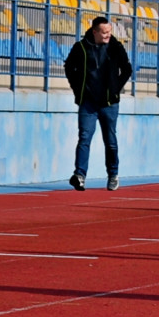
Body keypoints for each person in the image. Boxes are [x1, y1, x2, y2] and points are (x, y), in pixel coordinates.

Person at [63, 16, 132, 192]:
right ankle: (79, 175)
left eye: (109, 31)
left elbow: (127, 69)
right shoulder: (81, 48)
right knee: (84, 138)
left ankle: (113, 174)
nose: (108, 35)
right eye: (104, 32)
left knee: (110, 141)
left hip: (109, 104)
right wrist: (78, 90)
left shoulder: (115, 47)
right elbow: (69, 67)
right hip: (88, 104)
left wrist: (115, 88)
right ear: (95, 32)